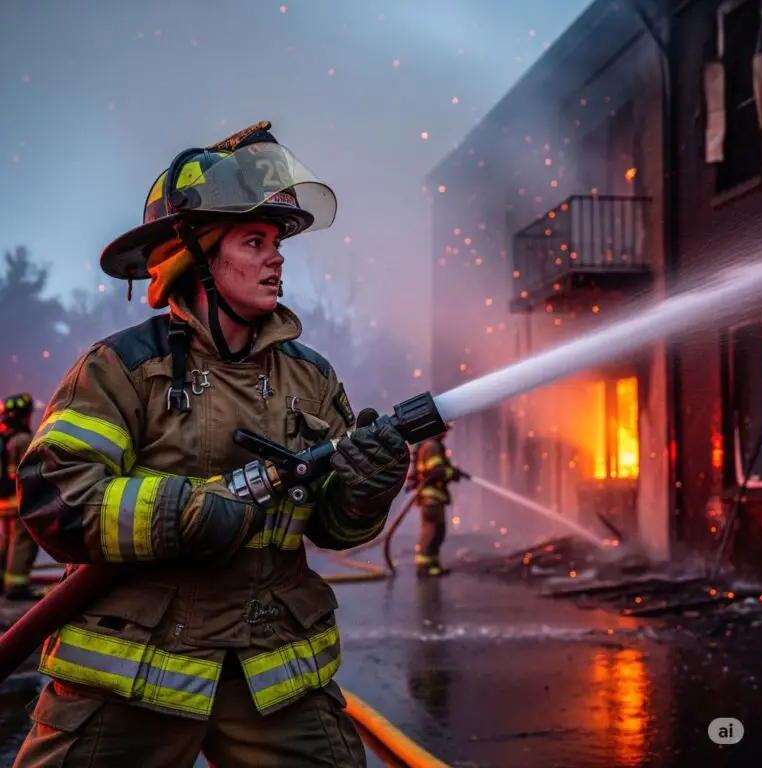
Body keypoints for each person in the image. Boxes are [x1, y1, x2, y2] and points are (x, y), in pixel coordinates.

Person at [12, 121, 410, 768]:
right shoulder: (120, 370)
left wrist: (366, 490)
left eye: (278, 242)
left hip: (272, 675)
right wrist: (183, 512)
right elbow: (57, 500)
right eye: (254, 241)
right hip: (133, 675)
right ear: (192, 254)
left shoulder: (309, 376)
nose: (277, 257)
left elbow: (335, 527)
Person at [405, 425, 468, 577]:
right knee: (432, 532)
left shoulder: (429, 445)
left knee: (438, 532)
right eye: (444, 429)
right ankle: (424, 567)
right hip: (431, 498)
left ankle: (433, 565)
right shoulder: (432, 447)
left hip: (433, 498)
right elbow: (437, 471)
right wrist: (453, 473)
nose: (446, 434)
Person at [0, 392, 38, 601]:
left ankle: (3, 582)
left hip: (3, 502)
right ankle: (17, 586)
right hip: (19, 502)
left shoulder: (5, 438)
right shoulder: (23, 439)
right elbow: (32, 471)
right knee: (22, 542)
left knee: (6, 542)